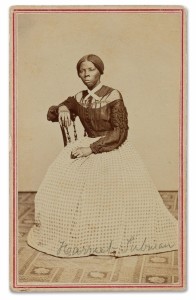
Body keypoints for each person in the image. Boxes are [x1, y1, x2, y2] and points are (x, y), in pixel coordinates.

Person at [27, 54, 178, 258]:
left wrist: (92, 149)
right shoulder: (79, 97)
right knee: (57, 185)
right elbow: (54, 113)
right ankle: (85, 234)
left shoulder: (113, 95)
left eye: (91, 69)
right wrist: (63, 107)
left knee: (111, 191)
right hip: (85, 144)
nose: (86, 74)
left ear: (100, 71)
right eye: (82, 70)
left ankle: (109, 235)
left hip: (111, 147)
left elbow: (120, 132)